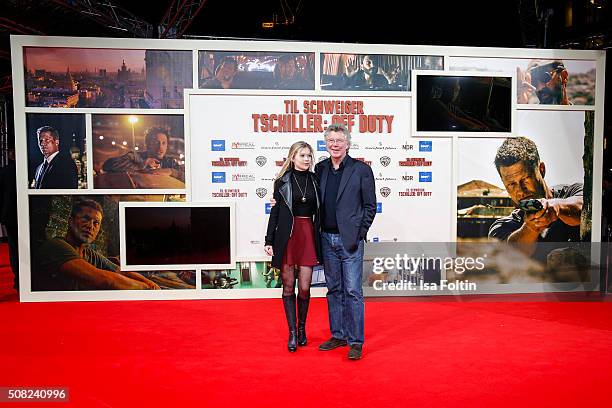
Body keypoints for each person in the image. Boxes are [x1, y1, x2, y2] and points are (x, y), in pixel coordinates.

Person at [315, 123, 377, 360]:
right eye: (330, 141)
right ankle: (338, 334)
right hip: (325, 238)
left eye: (339, 140)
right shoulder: (320, 169)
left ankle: (355, 341)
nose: (335, 145)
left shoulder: (361, 170)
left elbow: (370, 206)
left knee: (352, 291)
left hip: (350, 240)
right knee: (334, 290)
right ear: (326, 144)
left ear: (348, 144)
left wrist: (359, 233)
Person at [264, 141, 321, 352]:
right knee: (289, 287)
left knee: (305, 287)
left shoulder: (316, 179)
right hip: (287, 236)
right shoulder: (282, 182)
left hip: (308, 234)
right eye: (303, 155)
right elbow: (275, 213)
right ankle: (292, 333)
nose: (307, 159)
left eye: (309, 156)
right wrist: (269, 240)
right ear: (293, 157)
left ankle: (303, 328)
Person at [33, 199, 160, 291]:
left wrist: (151, 284)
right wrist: (148, 288)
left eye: (96, 223)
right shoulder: (56, 246)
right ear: (70, 221)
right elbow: (106, 280)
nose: (90, 226)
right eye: (85, 219)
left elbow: (121, 272)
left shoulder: (90, 254)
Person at [488, 137, 583, 257]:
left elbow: (586, 208)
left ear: (541, 170)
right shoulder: (503, 227)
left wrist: (555, 208)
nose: (520, 191)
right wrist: (531, 227)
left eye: (525, 179)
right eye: (511, 184)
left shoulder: (572, 192)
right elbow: (508, 254)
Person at [102, 126, 182, 179]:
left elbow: (190, 178)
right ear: (147, 144)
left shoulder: (171, 162)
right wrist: (142, 165)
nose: (160, 147)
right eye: (156, 143)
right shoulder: (135, 157)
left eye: (163, 143)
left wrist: (172, 172)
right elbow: (108, 165)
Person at [0, 149, 18, 291]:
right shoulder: (32, 169)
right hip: (18, 214)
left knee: (14, 248)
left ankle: (18, 279)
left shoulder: (4, 172)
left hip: (9, 215)